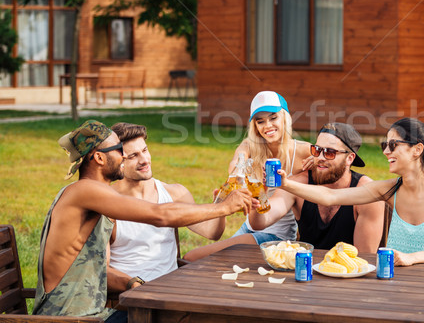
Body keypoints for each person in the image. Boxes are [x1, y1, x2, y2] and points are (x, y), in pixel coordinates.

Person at [33, 120, 252, 321]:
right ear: (99, 158)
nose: (126, 158)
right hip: (70, 317)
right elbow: (160, 215)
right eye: (120, 152)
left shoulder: (90, 193)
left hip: (90, 313)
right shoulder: (86, 191)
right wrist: (225, 206)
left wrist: (132, 283)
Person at [277, 117, 424, 266]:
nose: (385, 152)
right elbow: (330, 196)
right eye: (385, 145)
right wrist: (286, 183)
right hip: (394, 278)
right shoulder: (388, 189)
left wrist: (412, 258)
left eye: (393, 145)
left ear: (417, 149)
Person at [184, 91, 312, 260]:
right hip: (250, 227)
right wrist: (241, 169)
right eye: (260, 121)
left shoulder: (303, 151)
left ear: (285, 118)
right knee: (193, 258)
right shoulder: (250, 147)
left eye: (273, 118)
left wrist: (317, 162)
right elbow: (235, 166)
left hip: (276, 237)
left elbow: (333, 162)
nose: (267, 126)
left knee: (193, 257)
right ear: (255, 127)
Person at [107, 122, 227, 293]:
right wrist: (137, 287)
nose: (144, 160)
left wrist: (221, 204)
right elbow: (101, 271)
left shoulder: (175, 193)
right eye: (133, 156)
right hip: (131, 299)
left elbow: (212, 232)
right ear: (118, 161)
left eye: (145, 150)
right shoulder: (106, 204)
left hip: (173, 293)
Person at [248, 122, 385, 253]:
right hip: (305, 270)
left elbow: (365, 257)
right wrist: (259, 194)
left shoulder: (367, 194)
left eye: (329, 152)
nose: (320, 157)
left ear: (350, 158)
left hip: (347, 273)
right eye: (317, 150)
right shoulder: (298, 183)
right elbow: (260, 223)